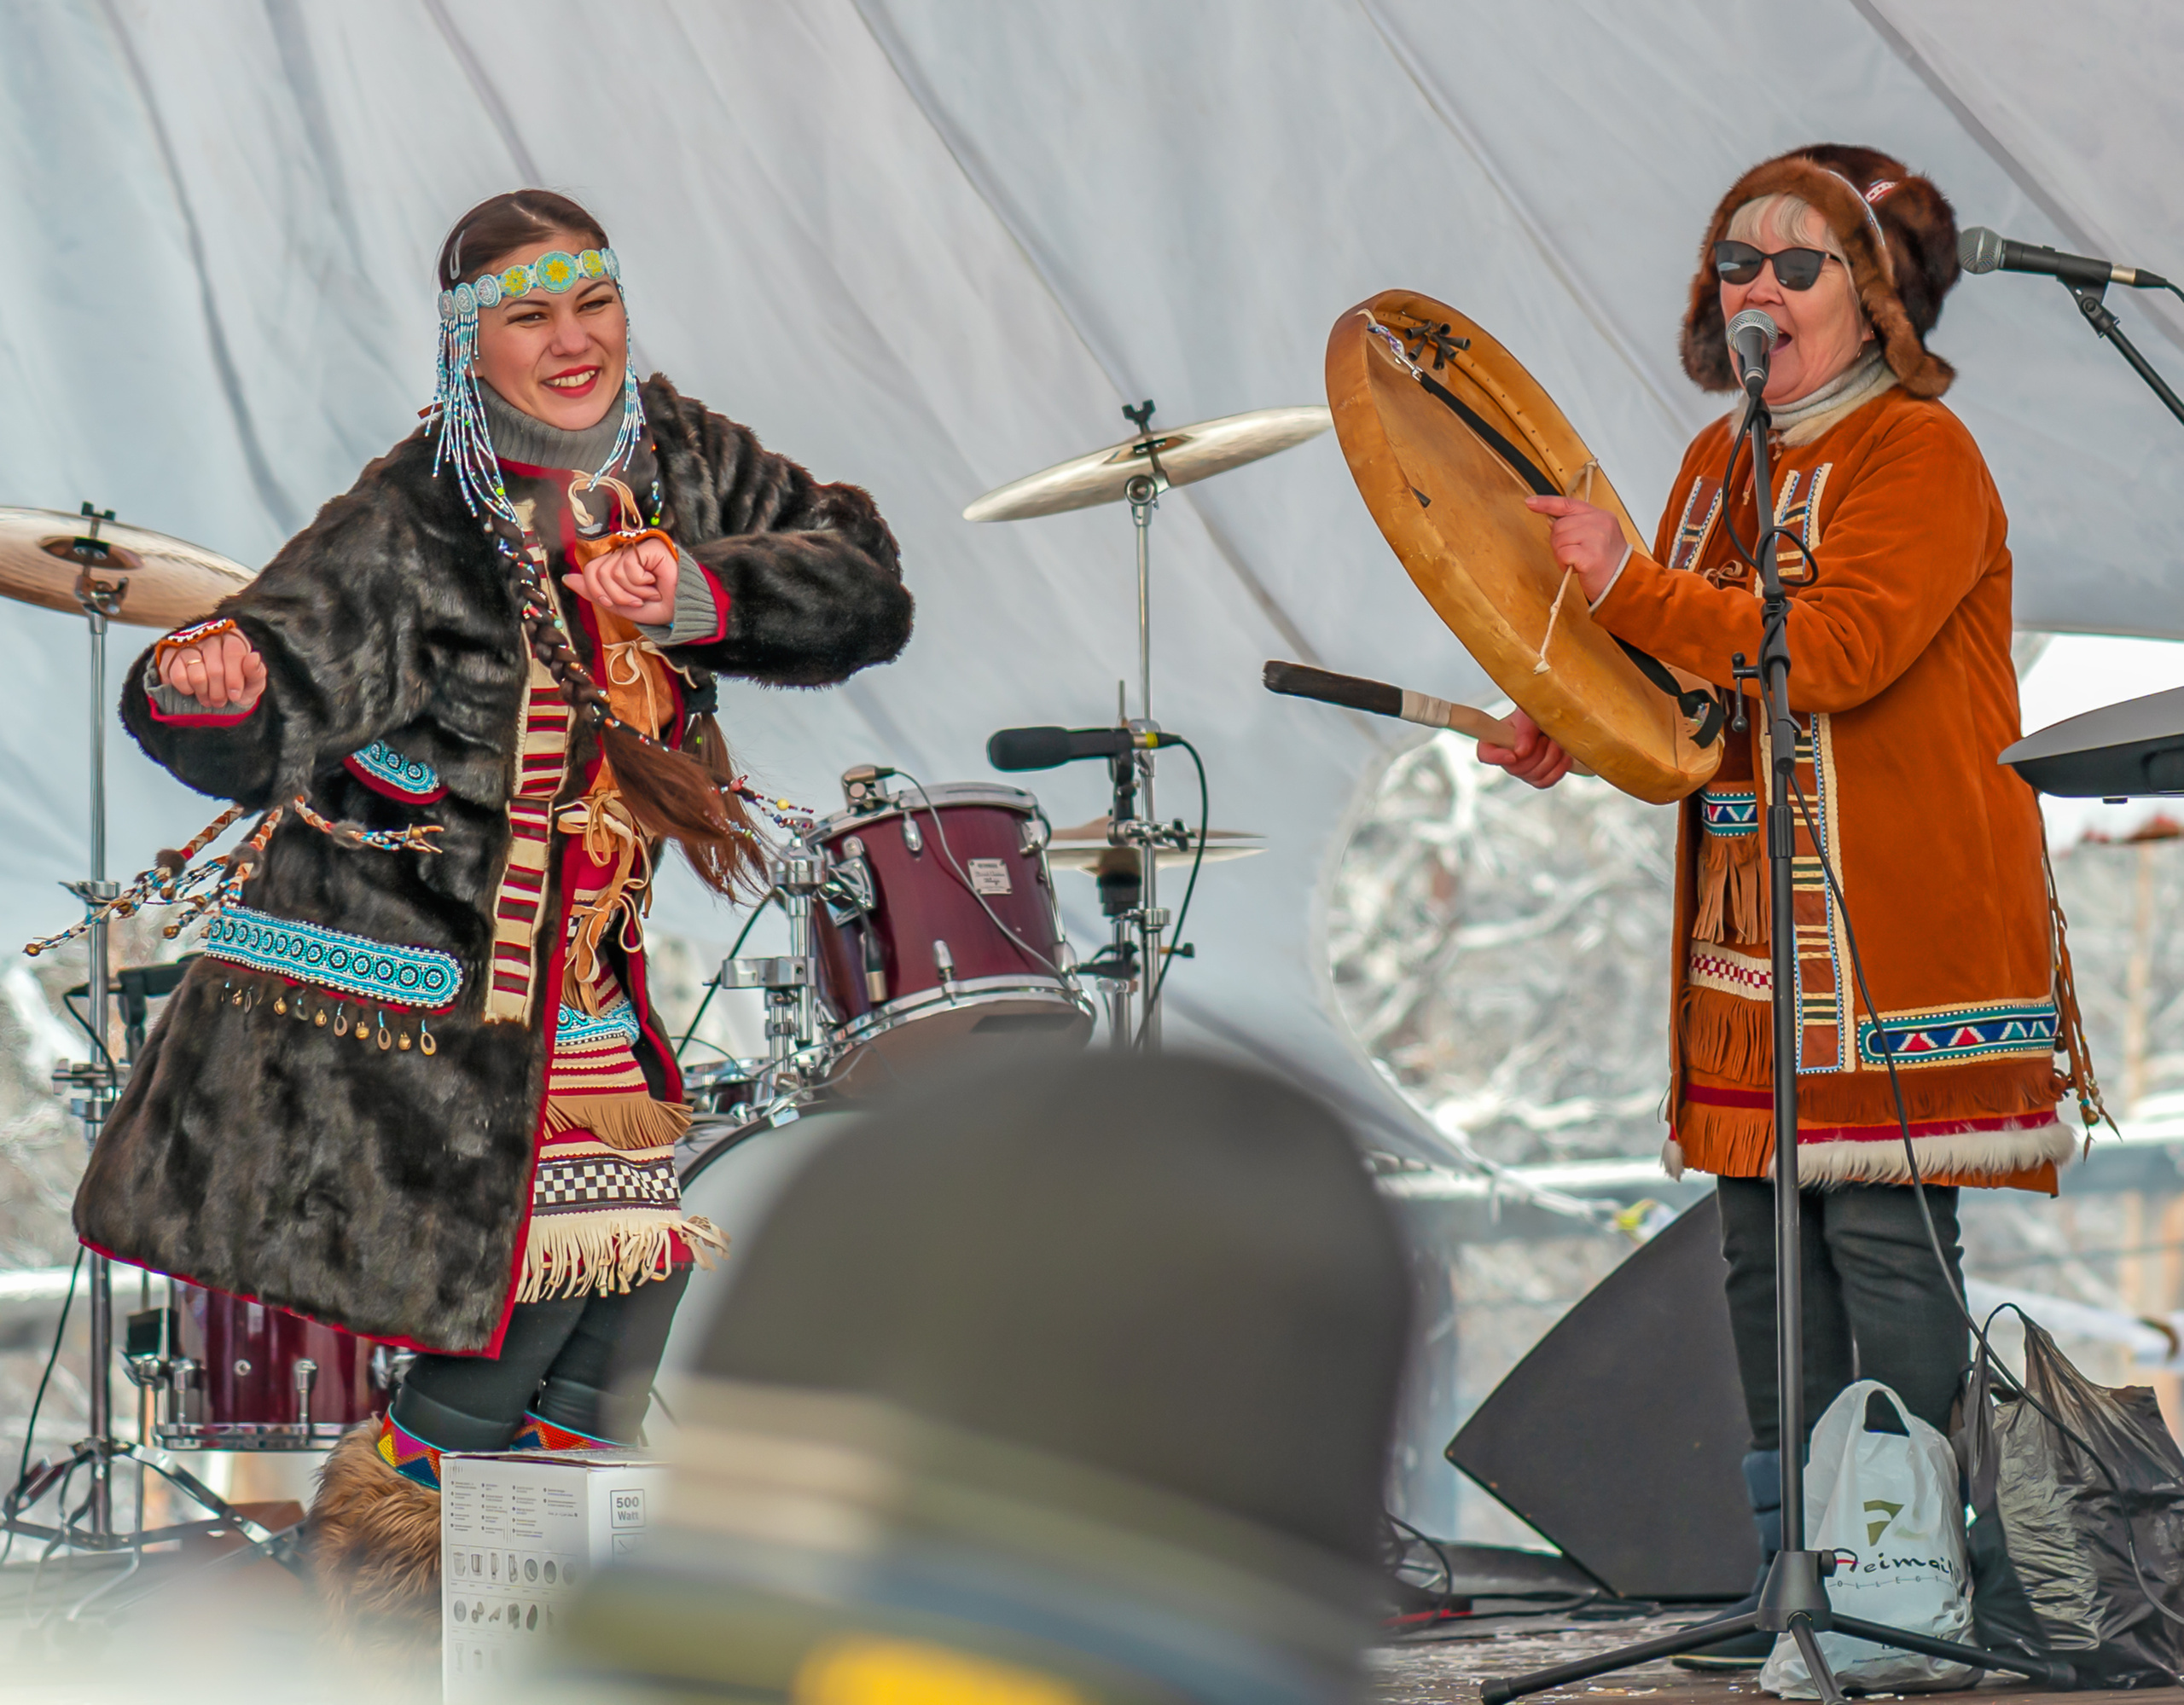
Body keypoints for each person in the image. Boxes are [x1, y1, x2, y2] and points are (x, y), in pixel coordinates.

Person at [73, 188, 913, 1644]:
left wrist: (703, 591)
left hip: (593, 992)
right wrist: (206, 697)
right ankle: (400, 1605)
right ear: (471, 346)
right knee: (514, 1342)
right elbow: (278, 670)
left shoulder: (680, 453)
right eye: (530, 316)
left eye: (593, 306)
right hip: (446, 1009)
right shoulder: (415, 514)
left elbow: (858, 585)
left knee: (621, 1328)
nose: (574, 342)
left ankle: (554, 1638)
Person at [1478, 144, 2102, 1666]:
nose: (1757, 286)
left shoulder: (1922, 455)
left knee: (1887, 1250)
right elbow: (1686, 685)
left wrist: (1626, 591)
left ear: (1877, 298)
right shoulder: (1714, 466)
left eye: (1797, 262)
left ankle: (1925, 1584)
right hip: (1754, 945)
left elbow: (1834, 650)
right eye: (1736, 262)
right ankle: (1798, 1581)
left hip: (1897, 931)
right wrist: (1579, 711)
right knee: (1763, 1255)